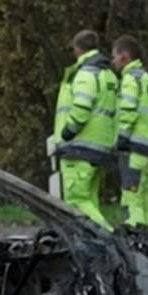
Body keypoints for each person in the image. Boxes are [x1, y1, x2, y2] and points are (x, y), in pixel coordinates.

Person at [51, 30, 118, 229]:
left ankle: (111, 240)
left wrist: (67, 132)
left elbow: (81, 107)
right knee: (90, 200)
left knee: (76, 200)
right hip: (99, 146)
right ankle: (97, 249)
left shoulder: (85, 74)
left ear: (77, 49)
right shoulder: (108, 75)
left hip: (79, 147)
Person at [112, 35, 148, 228]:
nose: (113, 61)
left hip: (133, 148)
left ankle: (136, 239)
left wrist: (122, 136)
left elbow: (128, 111)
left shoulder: (130, 79)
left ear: (125, 56)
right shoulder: (146, 79)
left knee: (132, 200)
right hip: (146, 147)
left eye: (115, 56)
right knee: (144, 200)